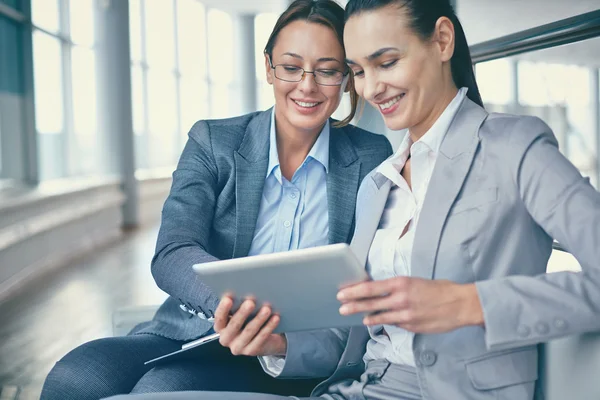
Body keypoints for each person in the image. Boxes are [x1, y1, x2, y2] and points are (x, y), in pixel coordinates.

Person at [104, 0, 600, 399]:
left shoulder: (514, 146)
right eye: (360, 70)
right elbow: (351, 335)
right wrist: (279, 344)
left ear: (442, 40)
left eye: (386, 62)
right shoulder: (379, 182)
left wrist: (469, 303)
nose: (372, 87)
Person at [40, 1, 392, 399]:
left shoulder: (370, 156)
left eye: (327, 70)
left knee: (161, 390)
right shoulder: (214, 141)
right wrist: (239, 306)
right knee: (73, 378)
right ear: (268, 68)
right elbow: (173, 250)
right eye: (291, 68)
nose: (307, 86)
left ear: (347, 77)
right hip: (194, 331)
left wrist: (274, 333)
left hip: (288, 354)